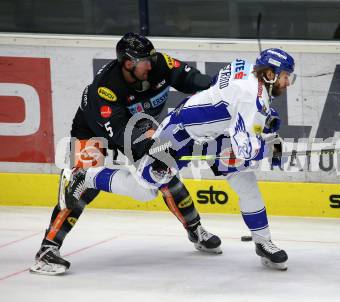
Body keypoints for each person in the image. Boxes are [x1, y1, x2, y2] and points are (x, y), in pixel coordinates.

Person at [65, 48, 295, 270]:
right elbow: (244, 148)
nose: (287, 83)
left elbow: (226, 94)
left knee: (246, 183)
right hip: (180, 133)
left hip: (215, 134)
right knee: (145, 190)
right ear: (269, 74)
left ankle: (263, 242)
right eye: (285, 77)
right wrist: (269, 147)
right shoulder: (251, 97)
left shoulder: (246, 68)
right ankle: (87, 176)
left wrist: (264, 128)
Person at [30, 33, 221, 276]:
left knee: (164, 174)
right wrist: (154, 144)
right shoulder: (105, 90)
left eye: (151, 58)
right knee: (81, 185)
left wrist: (222, 91)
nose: (150, 65)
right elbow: (122, 135)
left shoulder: (158, 63)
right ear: (128, 62)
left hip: (139, 126)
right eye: (144, 61)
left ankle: (196, 231)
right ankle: (48, 250)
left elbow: (195, 80)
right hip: (93, 128)